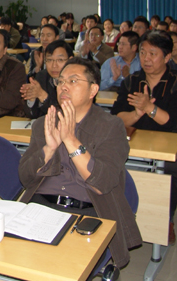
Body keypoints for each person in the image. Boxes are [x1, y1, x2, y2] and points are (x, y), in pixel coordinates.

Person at [19, 58, 142, 268]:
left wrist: (70, 141)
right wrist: (49, 149)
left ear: (93, 89)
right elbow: (25, 177)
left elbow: (102, 183)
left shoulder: (111, 126)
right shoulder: (44, 123)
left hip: (88, 212)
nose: (64, 86)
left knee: (59, 266)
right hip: (41, 207)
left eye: (73, 81)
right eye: (60, 81)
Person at [111, 32, 177, 245]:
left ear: (167, 57)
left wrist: (150, 107)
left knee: (170, 169)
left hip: (175, 150)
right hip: (135, 145)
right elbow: (117, 118)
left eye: (152, 53)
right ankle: (115, 217)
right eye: (142, 53)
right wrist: (136, 114)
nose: (146, 58)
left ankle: (165, 220)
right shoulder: (132, 81)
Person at [21, 41, 72, 119]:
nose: (54, 65)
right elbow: (32, 115)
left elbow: (65, 115)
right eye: (49, 60)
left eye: (60, 60)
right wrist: (32, 98)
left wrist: (43, 96)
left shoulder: (76, 82)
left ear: (70, 60)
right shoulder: (42, 76)